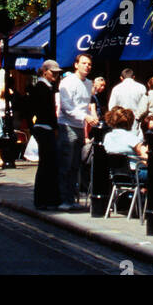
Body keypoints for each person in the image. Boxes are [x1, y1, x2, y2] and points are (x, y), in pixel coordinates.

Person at [56, 53, 95, 209]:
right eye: (84, 63)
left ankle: (71, 199)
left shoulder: (89, 84)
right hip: (67, 125)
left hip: (80, 126)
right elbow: (66, 107)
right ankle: (64, 200)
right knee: (66, 163)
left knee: (75, 165)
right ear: (76, 65)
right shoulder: (67, 82)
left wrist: (89, 117)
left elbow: (85, 105)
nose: (87, 66)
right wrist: (85, 116)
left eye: (89, 64)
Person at [30, 59, 61, 210]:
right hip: (45, 128)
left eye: (57, 73)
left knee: (48, 164)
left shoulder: (47, 87)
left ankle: (47, 199)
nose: (55, 75)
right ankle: (43, 199)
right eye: (53, 72)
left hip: (44, 128)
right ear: (45, 72)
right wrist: (54, 127)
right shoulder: (42, 87)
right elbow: (46, 112)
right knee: (46, 164)